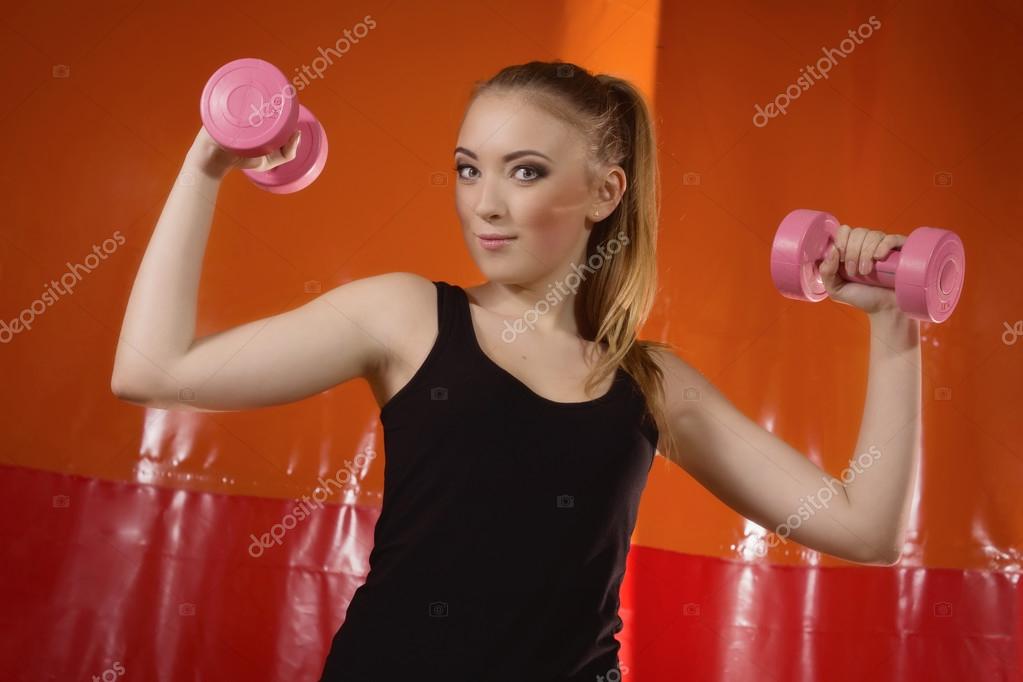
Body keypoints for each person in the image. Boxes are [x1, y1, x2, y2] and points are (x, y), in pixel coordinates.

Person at [112, 59, 920, 681]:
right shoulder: (403, 315)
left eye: (523, 170)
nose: (484, 202)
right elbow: (152, 370)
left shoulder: (649, 382)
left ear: (604, 191)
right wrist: (208, 162)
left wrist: (893, 326)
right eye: (469, 168)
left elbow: (863, 530)